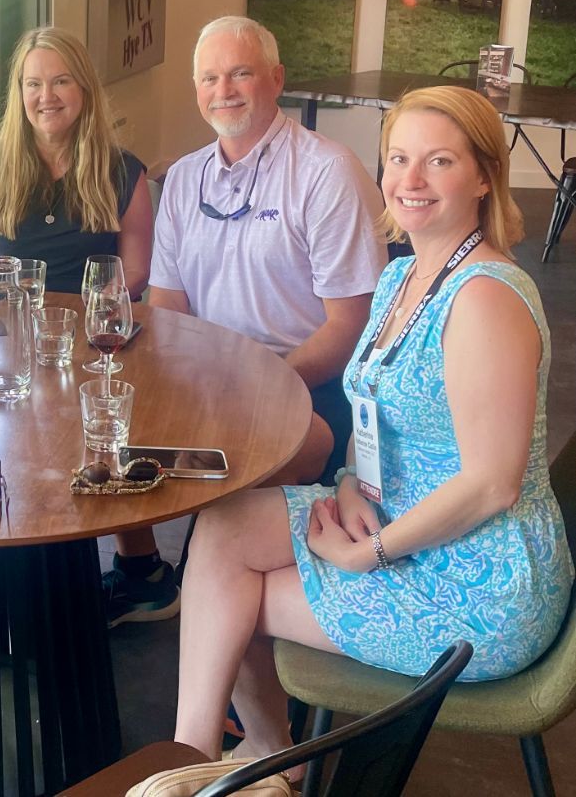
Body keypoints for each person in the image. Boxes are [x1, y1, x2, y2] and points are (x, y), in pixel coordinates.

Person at [174, 86, 574, 767]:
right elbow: (374, 412)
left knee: (228, 599)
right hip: (398, 514)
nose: (410, 180)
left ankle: (214, 765)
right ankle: (232, 758)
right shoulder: (400, 277)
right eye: (398, 158)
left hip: (478, 584)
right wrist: (350, 483)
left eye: (439, 161)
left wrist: (375, 550)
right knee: (223, 528)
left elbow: (492, 484)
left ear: (483, 176)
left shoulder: (484, 298)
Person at [101, 16, 385, 628]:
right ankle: (149, 578)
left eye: (240, 74)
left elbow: (352, 324)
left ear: (276, 80)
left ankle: (220, 587)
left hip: (309, 387)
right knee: (103, 432)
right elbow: (168, 306)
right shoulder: (183, 179)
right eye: (209, 78)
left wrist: (258, 389)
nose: (223, 90)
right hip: (210, 385)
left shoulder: (326, 172)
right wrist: (178, 390)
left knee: (211, 531)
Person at [0, 25, 153, 297]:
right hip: (7, 317)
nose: (47, 96)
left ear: (84, 88)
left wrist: (97, 308)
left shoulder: (124, 171)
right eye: (33, 84)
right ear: (20, 93)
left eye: (61, 81)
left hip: (94, 317)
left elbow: (135, 271)